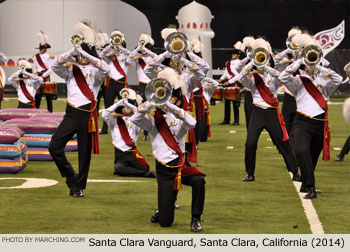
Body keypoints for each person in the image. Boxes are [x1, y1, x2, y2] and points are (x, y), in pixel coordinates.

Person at [130, 67, 206, 232]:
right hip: (164, 170)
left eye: (172, 97)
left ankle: (196, 219)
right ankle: (162, 210)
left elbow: (192, 123)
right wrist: (153, 99)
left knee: (199, 181)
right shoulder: (153, 120)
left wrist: (170, 106)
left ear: (177, 98)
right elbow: (135, 118)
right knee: (166, 222)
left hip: (181, 165)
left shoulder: (181, 116)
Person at [48, 22, 109, 197]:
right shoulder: (71, 70)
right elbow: (54, 65)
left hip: (87, 115)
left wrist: (85, 55)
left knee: (84, 155)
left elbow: (106, 69)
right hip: (71, 113)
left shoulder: (95, 71)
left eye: (83, 53)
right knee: (54, 146)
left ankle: (79, 186)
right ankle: (70, 177)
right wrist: (72, 52)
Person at [279, 33, 342, 199]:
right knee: (302, 151)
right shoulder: (299, 80)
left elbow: (339, 78)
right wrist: (301, 60)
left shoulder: (324, 81)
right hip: (303, 122)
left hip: (320, 123)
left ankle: (307, 184)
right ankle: (311, 187)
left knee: (313, 156)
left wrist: (319, 66)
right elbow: (282, 76)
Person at [231, 38, 301, 183]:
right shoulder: (253, 78)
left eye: (266, 60)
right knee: (250, 143)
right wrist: (252, 61)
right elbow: (238, 70)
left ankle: (294, 171)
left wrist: (266, 65)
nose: (264, 62)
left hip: (272, 113)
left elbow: (280, 76)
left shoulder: (274, 76)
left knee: (283, 143)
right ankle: (250, 173)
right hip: (257, 112)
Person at [102, 88, 155, 177]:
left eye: (129, 106)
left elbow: (141, 114)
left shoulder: (136, 120)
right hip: (120, 155)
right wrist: (120, 102)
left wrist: (130, 104)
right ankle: (144, 174)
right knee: (118, 168)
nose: (127, 108)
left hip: (132, 154)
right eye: (124, 106)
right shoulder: (114, 121)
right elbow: (104, 114)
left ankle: (134, 171)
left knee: (145, 167)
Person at [98, 30, 135, 135]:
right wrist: (111, 45)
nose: (117, 48)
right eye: (116, 45)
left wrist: (120, 48)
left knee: (125, 106)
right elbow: (101, 55)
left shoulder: (125, 57)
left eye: (119, 45)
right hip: (112, 83)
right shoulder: (110, 57)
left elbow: (131, 54)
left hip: (122, 83)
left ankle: (125, 127)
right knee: (108, 106)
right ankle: (105, 129)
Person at [130, 33, 156, 141]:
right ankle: (144, 132)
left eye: (146, 48)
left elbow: (155, 56)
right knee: (141, 108)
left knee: (150, 108)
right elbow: (129, 58)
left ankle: (151, 130)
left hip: (151, 85)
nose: (144, 51)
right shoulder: (138, 59)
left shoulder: (153, 58)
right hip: (141, 85)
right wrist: (139, 48)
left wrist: (147, 50)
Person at [33, 31, 55, 112]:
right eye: (40, 48)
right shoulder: (36, 56)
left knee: (48, 96)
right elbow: (34, 66)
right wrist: (35, 73)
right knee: (37, 96)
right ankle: (36, 111)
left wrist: (44, 75)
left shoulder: (49, 56)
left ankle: (50, 112)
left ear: (45, 49)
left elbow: (51, 68)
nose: (41, 50)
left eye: (42, 48)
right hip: (38, 76)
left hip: (46, 77)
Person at [218, 47, 241, 125]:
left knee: (235, 103)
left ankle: (236, 121)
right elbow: (226, 73)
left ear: (238, 55)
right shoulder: (229, 62)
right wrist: (221, 79)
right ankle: (226, 120)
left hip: (234, 83)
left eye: (234, 54)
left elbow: (238, 75)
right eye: (232, 54)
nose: (233, 55)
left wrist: (229, 81)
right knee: (227, 103)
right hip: (228, 83)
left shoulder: (239, 63)